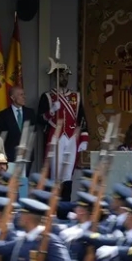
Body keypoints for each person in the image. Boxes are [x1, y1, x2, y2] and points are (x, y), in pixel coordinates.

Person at [37, 63, 89, 201]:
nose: (64, 78)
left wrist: (84, 139)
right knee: (55, 173)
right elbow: (40, 119)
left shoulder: (76, 97)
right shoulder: (47, 97)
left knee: (67, 174)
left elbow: (82, 119)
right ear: (56, 77)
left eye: (66, 75)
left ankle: (65, 204)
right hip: (55, 138)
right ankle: (52, 205)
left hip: (71, 138)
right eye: (61, 75)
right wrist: (52, 111)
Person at [0, 86, 36, 160]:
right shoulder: (3, 115)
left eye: (24, 94)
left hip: (27, 155)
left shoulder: (30, 113)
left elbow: (33, 131)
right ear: (13, 98)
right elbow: (0, 136)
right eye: (21, 95)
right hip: (10, 155)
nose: (24, 97)